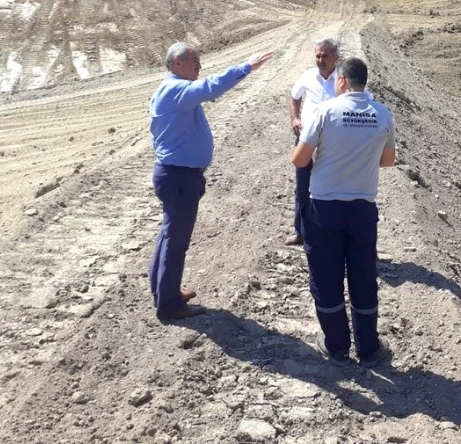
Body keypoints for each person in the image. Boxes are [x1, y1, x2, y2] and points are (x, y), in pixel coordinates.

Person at [149, 42, 273, 320]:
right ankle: (169, 305)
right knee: (175, 241)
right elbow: (210, 87)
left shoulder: (171, 91)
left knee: (170, 236)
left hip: (176, 174)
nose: (200, 66)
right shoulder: (175, 90)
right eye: (195, 60)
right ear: (178, 63)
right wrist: (246, 67)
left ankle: (164, 291)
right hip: (179, 176)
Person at [292, 57, 396, 367]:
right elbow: (388, 161)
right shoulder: (382, 114)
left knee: (326, 277)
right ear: (364, 82)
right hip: (362, 209)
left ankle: (336, 345)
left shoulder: (325, 111)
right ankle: (369, 348)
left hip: (324, 209)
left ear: (341, 82)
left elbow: (300, 160)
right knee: (363, 277)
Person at [286, 39, 341, 246]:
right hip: (307, 140)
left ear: (336, 57)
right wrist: (295, 118)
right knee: (303, 185)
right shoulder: (308, 76)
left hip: (333, 143)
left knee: (333, 187)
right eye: (318, 55)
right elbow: (294, 95)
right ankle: (300, 231)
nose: (320, 60)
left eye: (325, 56)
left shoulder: (343, 81)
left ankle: (331, 233)